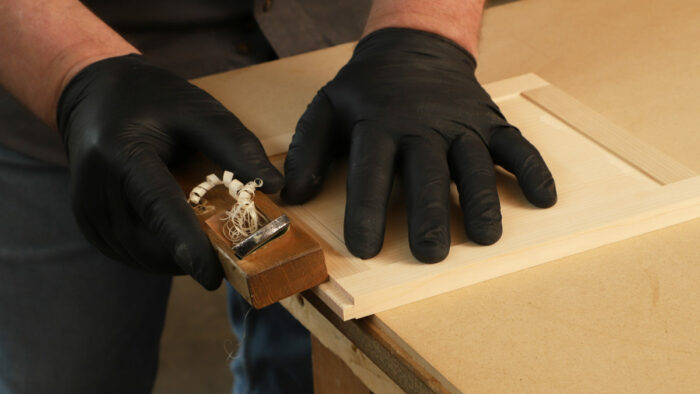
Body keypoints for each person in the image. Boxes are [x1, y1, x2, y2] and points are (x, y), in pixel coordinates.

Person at [0, 0, 557, 392]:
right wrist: (69, 73)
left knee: (308, 363)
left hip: (336, 61)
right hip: (61, 78)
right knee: (66, 373)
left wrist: (424, 30)